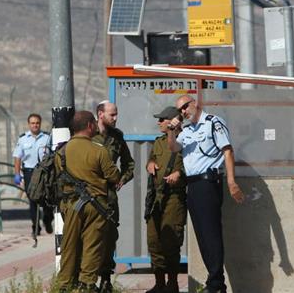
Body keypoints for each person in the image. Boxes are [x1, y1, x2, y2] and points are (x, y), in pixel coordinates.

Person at [167, 95, 245, 293]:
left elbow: (227, 151)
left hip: (208, 182)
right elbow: (174, 147)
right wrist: (171, 131)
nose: (183, 111)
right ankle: (214, 280)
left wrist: (231, 181)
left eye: (185, 106)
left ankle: (216, 284)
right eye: (180, 110)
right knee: (202, 236)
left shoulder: (213, 122)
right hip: (192, 185)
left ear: (195, 103)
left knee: (211, 234)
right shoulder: (187, 130)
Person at [56, 110, 121, 292]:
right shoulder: (99, 151)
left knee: (69, 245)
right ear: (90, 126)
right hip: (96, 206)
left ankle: (65, 284)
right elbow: (114, 176)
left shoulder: (61, 152)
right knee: (92, 245)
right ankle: (87, 284)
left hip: (70, 206)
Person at [92, 101, 135, 292]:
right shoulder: (87, 134)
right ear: (100, 114)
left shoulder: (117, 137)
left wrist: (122, 180)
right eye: (112, 115)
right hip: (90, 197)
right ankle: (87, 280)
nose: (115, 118)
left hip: (109, 198)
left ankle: (106, 279)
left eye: (116, 114)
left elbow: (129, 164)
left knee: (109, 238)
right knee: (90, 239)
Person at [145, 106, 187, 293]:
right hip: (157, 197)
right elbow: (151, 159)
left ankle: (173, 283)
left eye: (162, 119)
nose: (158, 122)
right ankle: (159, 282)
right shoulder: (159, 142)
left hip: (174, 198)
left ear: (172, 121)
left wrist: (180, 173)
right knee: (154, 241)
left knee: (171, 241)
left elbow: (193, 166)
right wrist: (150, 164)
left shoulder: (186, 140)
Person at [12, 113, 54, 236]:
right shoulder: (23, 139)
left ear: (40, 124)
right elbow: (17, 157)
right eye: (32, 123)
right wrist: (17, 173)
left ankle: (47, 220)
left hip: (44, 172)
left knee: (47, 199)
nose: (35, 125)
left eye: (37, 123)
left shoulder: (47, 138)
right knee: (33, 200)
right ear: (29, 124)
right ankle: (35, 227)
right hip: (30, 172)